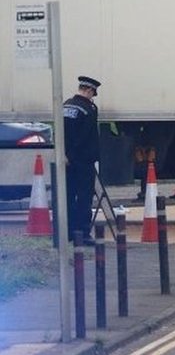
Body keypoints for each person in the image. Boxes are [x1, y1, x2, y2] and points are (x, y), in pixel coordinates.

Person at [63, 76, 101, 246]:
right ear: (89, 90)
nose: (93, 96)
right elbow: (85, 136)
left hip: (66, 160)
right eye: (93, 93)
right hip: (83, 160)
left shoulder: (66, 105)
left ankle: (68, 232)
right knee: (84, 197)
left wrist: (66, 155)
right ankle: (83, 233)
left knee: (68, 196)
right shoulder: (88, 108)